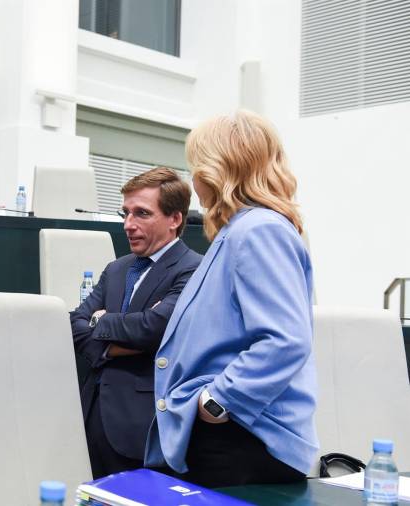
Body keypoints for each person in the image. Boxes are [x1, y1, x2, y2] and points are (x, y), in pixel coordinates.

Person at [144, 110, 317, 487]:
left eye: (195, 166)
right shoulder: (244, 230)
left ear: (216, 169)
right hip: (237, 436)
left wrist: (217, 402)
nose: (192, 179)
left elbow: (285, 339)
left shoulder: (257, 231)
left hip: (243, 438)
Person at [70, 167, 202, 478]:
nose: (128, 225)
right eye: (125, 213)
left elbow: (156, 328)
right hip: (90, 417)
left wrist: (102, 321)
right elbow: (76, 324)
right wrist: (115, 345)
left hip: (143, 427)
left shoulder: (194, 269)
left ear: (174, 219)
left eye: (141, 214)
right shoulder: (117, 268)